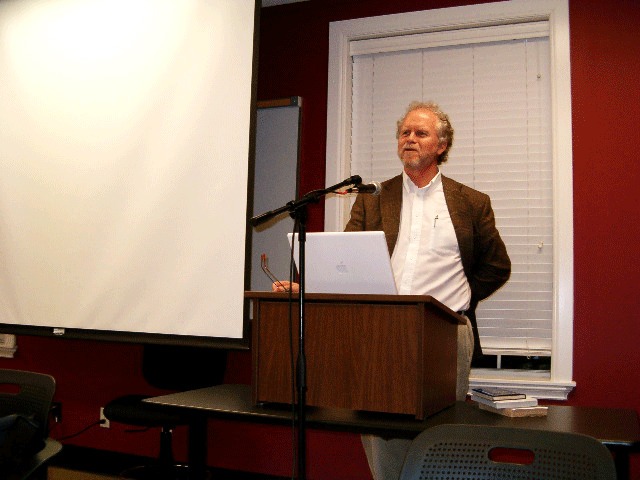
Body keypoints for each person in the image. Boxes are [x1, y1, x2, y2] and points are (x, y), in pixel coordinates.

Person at [274, 101, 511, 480]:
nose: (410, 139)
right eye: (405, 133)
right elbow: (348, 261)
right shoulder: (372, 197)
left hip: (446, 333)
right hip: (381, 331)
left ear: (442, 146)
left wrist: (459, 299)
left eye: (421, 133)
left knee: (441, 435)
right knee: (383, 436)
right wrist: (311, 284)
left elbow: (497, 266)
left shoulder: (471, 202)